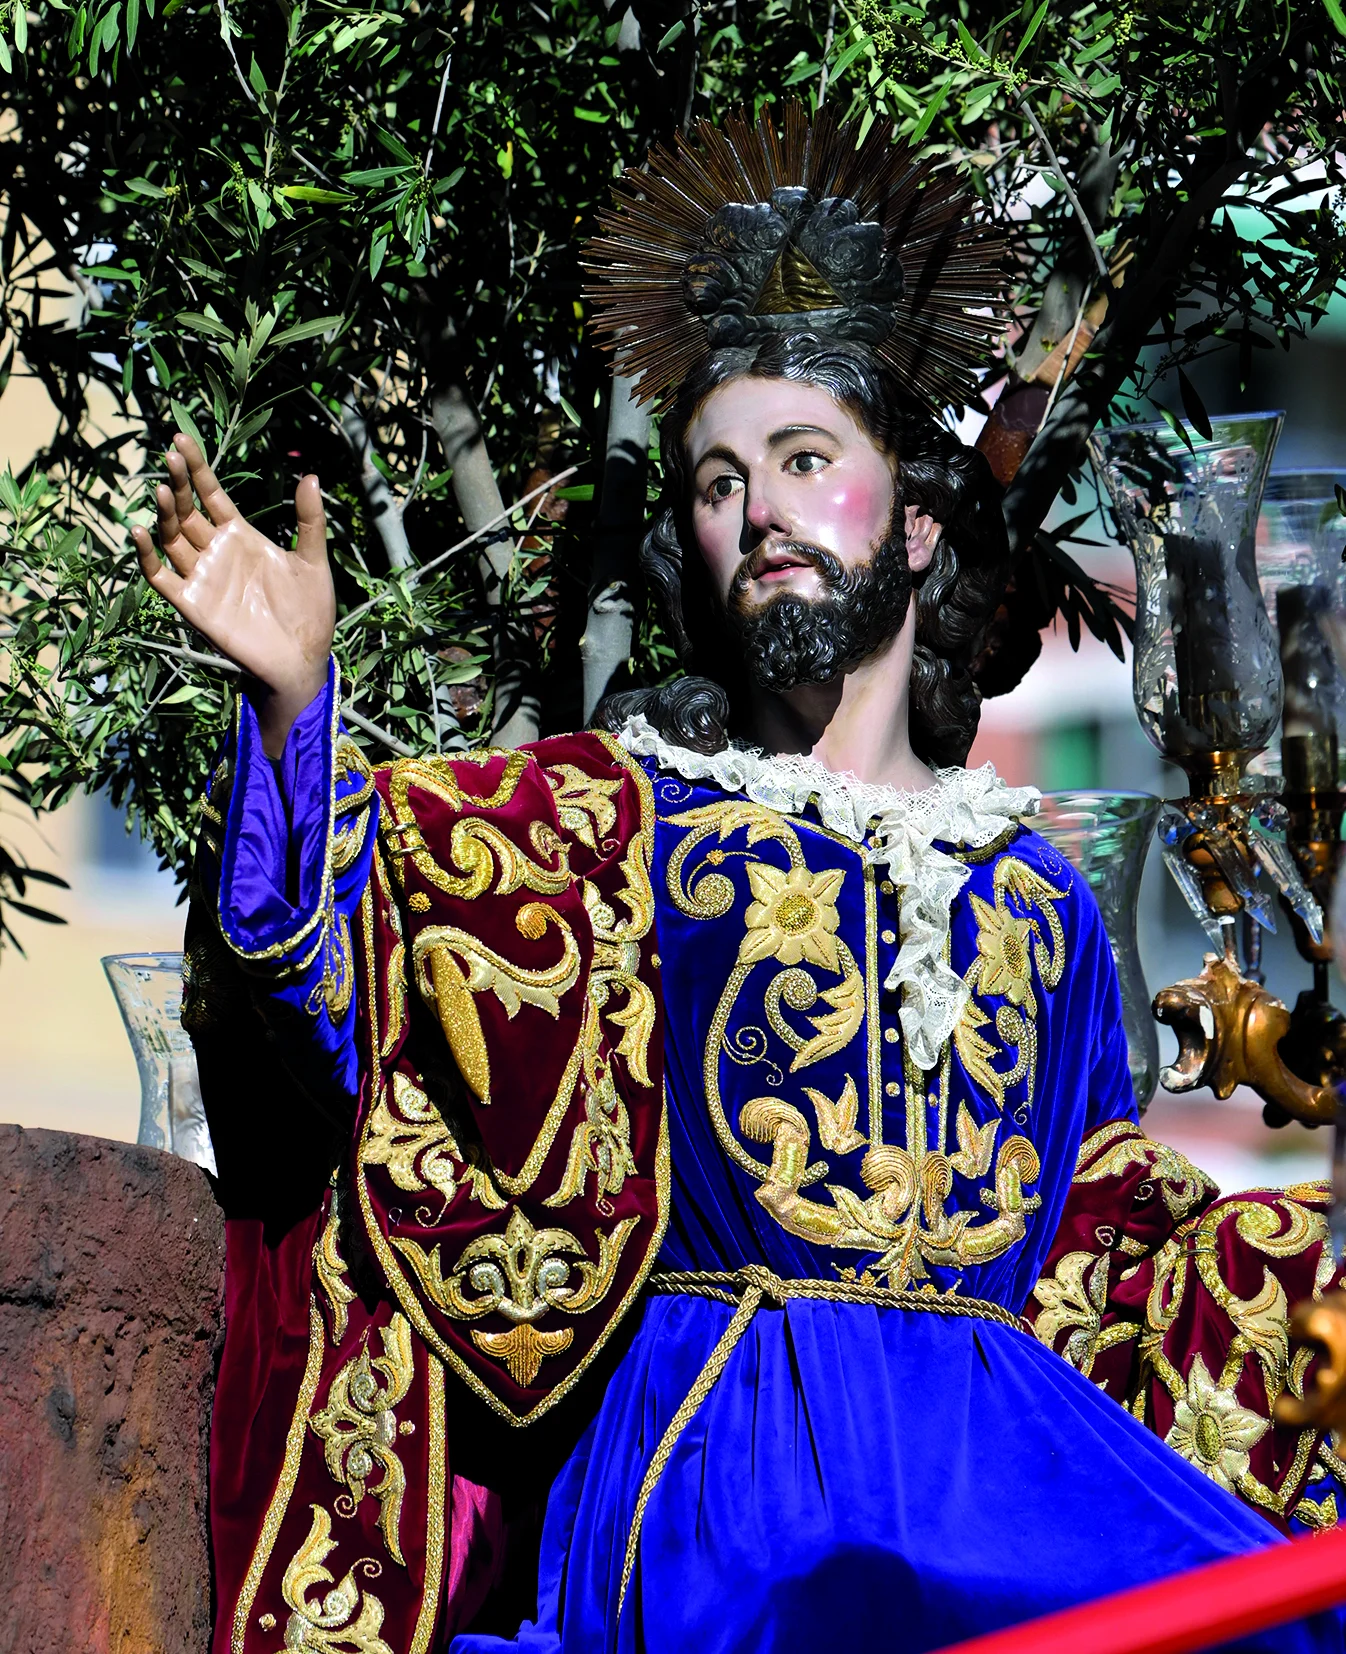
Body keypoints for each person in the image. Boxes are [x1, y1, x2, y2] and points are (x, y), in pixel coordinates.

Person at [135, 106, 1344, 1654]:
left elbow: (1098, 1239)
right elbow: (338, 997)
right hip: (736, 1483)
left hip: (1010, 1472)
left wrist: (1282, 1267)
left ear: (915, 517)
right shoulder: (613, 827)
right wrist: (297, 706)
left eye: (803, 461)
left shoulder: (1038, 898)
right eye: (717, 481)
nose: (759, 511)